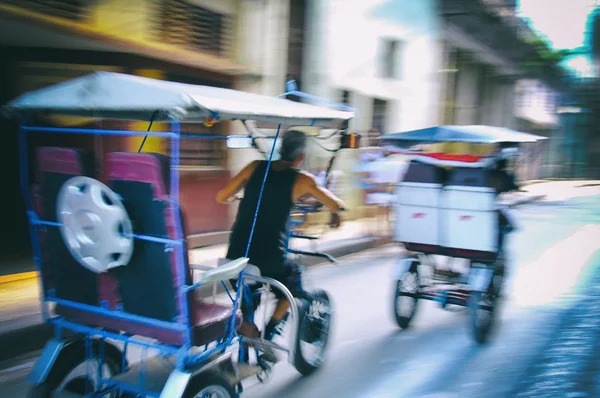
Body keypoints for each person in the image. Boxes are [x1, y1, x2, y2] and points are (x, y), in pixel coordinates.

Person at [216, 129, 345, 344]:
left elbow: (221, 196)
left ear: (280, 150)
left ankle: (245, 323)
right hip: (270, 261)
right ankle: (270, 328)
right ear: (301, 157)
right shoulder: (303, 180)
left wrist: (239, 196)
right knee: (293, 283)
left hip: (235, 257)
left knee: (249, 286)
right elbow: (337, 205)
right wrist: (334, 214)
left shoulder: (254, 167)